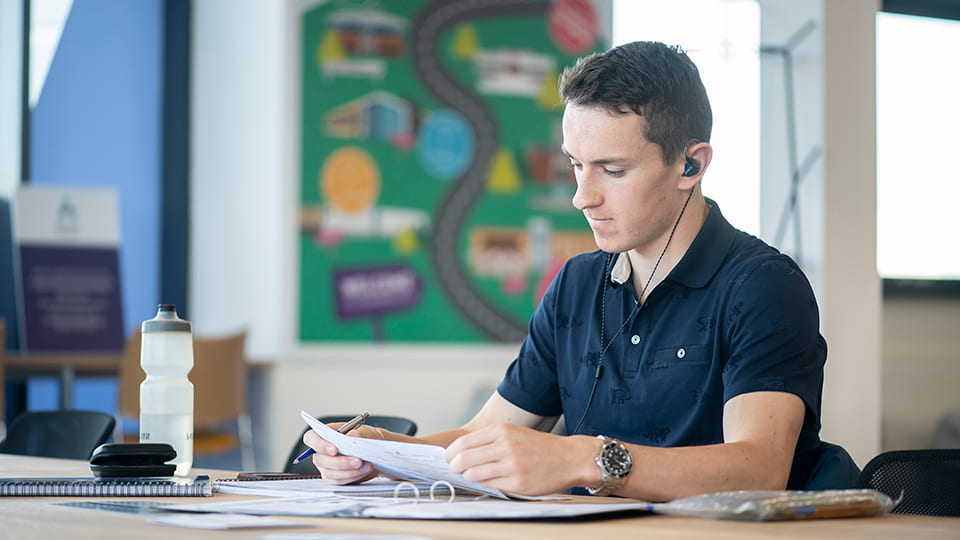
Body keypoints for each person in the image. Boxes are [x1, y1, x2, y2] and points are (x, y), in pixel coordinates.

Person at [304, 41, 826, 502]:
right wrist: (381, 453)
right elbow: (485, 436)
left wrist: (581, 460)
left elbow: (759, 468)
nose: (582, 196)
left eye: (613, 170)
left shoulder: (762, 286)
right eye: (576, 165)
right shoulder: (577, 285)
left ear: (691, 165)